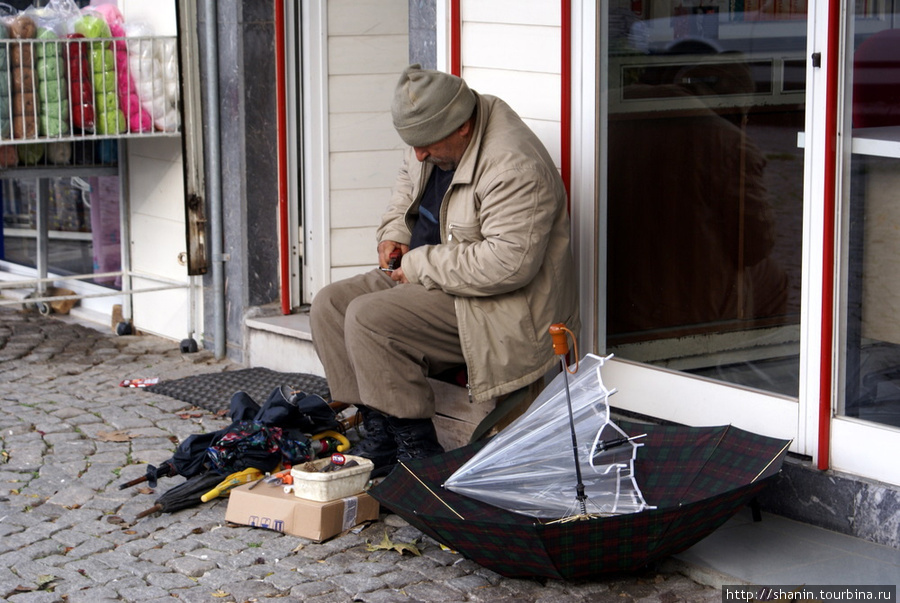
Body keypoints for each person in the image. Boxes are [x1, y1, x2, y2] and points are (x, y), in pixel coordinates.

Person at [309, 64, 580, 474]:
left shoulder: (513, 166)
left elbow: (509, 265)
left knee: (369, 318)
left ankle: (418, 454)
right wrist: (396, 231)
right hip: (435, 276)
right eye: (413, 144)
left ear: (462, 127)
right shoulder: (432, 134)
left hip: (501, 307)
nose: (419, 154)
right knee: (330, 305)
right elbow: (406, 186)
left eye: (426, 145)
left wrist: (419, 264)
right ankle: (380, 434)